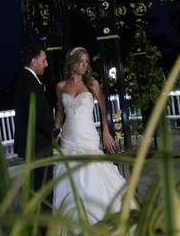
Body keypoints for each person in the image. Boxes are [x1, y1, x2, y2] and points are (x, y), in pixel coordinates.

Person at [52, 46, 133, 226]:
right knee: (70, 179)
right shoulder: (61, 86)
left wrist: (105, 131)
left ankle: (100, 219)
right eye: (81, 61)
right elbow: (60, 112)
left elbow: (104, 110)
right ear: (72, 63)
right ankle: (76, 225)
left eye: (87, 62)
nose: (84, 65)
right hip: (68, 138)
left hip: (87, 136)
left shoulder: (92, 84)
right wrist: (55, 131)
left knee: (92, 176)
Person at [11, 43, 55, 218]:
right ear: (33, 61)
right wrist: (54, 131)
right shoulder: (28, 81)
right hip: (37, 143)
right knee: (43, 188)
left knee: (35, 187)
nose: (46, 64)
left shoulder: (23, 78)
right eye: (43, 60)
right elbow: (37, 114)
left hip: (32, 143)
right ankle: (45, 233)